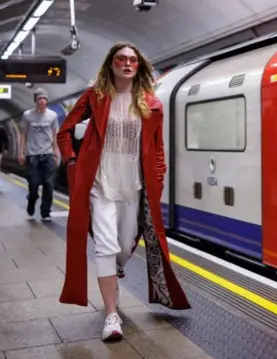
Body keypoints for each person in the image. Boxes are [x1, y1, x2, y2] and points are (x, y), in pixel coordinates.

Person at [56, 42, 191, 342]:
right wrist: (73, 162)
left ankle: (114, 270)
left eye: (133, 60)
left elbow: (157, 151)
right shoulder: (95, 96)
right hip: (99, 183)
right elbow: (64, 132)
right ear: (112, 64)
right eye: (121, 59)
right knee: (105, 247)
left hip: (134, 185)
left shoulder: (151, 105)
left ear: (139, 66)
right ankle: (112, 315)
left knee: (126, 246)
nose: (127, 64)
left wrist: (159, 180)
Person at [18, 88, 59, 220]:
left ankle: (45, 212)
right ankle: (31, 200)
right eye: (39, 99)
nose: (42, 101)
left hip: (47, 154)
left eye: (44, 98)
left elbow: (54, 135)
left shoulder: (52, 115)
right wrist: (21, 152)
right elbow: (23, 134)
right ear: (35, 101)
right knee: (34, 184)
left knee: (49, 184)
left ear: (47, 100)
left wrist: (56, 151)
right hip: (32, 155)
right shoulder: (27, 115)